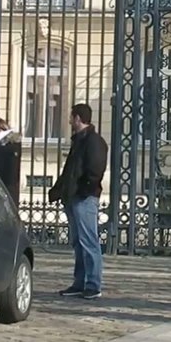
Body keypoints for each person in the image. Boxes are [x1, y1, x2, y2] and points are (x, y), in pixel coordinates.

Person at [48, 103, 109, 300]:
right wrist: (58, 190)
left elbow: (95, 170)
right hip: (73, 197)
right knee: (78, 242)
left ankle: (93, 284)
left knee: (89, 241)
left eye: (71, 117)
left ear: (77, 118)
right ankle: (80, 282)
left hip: (84, 198)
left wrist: (84, 190)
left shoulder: (93, 141)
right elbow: (69, 171)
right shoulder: (79, 141)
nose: (69, 120)